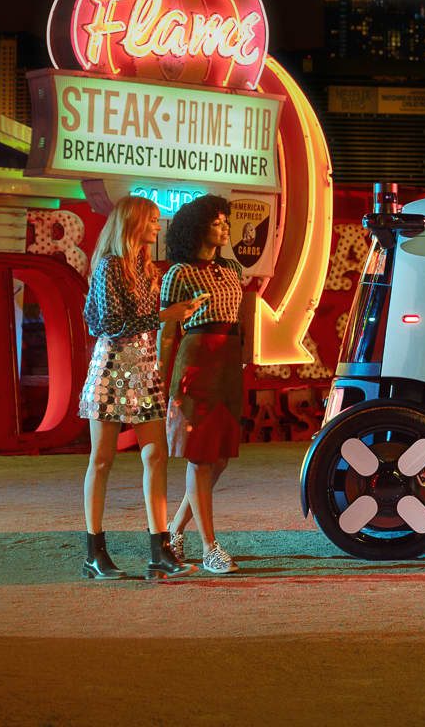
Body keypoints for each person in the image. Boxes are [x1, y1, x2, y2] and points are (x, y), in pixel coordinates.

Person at [79, 195, 207, 580]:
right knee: (102, 460)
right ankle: (94, 552)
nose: (157, 226)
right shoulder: (109, 267)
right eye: (152, 220)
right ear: (133, 222)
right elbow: (109, 323)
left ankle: (160, 548)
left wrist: (178, 313)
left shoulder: (146, 268)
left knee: (156, 454)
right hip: (113, 369)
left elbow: (138, 319)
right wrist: (164, 315)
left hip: (145, 369)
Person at [161, 194, 251, 576]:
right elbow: (167, 332)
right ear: (197, 227)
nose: (225, 226)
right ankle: (210, 546)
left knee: (221, 456)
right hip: (196, 361)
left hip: (229, 361)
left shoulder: (232, 268)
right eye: (217, 221)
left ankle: (172, 531)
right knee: (199, 455)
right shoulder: (178, 274)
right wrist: (160, 377)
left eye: (225, 221)